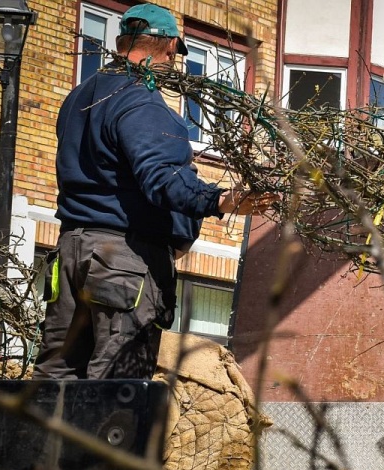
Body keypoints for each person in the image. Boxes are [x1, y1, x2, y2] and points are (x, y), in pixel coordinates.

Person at [33, 3, 275, 380]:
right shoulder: (140, 100)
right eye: (175, 55)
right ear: (170, 47)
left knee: (56, 380)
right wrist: (220, 200)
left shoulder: (78, 98)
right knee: (117, 389)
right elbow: (162, 178)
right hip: (120, 260)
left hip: (70, 253)